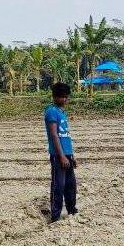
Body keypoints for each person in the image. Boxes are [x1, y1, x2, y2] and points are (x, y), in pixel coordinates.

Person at [45, 82, 77, 223]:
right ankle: (55, 216)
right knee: (59, 185)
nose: (64, 99)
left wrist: (71, 156)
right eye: (61, 97)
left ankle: (72, 210)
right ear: (54, 97)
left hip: (67, 154)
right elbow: (54, 135)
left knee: (70, 185)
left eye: (66, 97)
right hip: (59, 156)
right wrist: (62, 155)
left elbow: (66, 136)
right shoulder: (51, 111)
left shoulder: (62, 113)